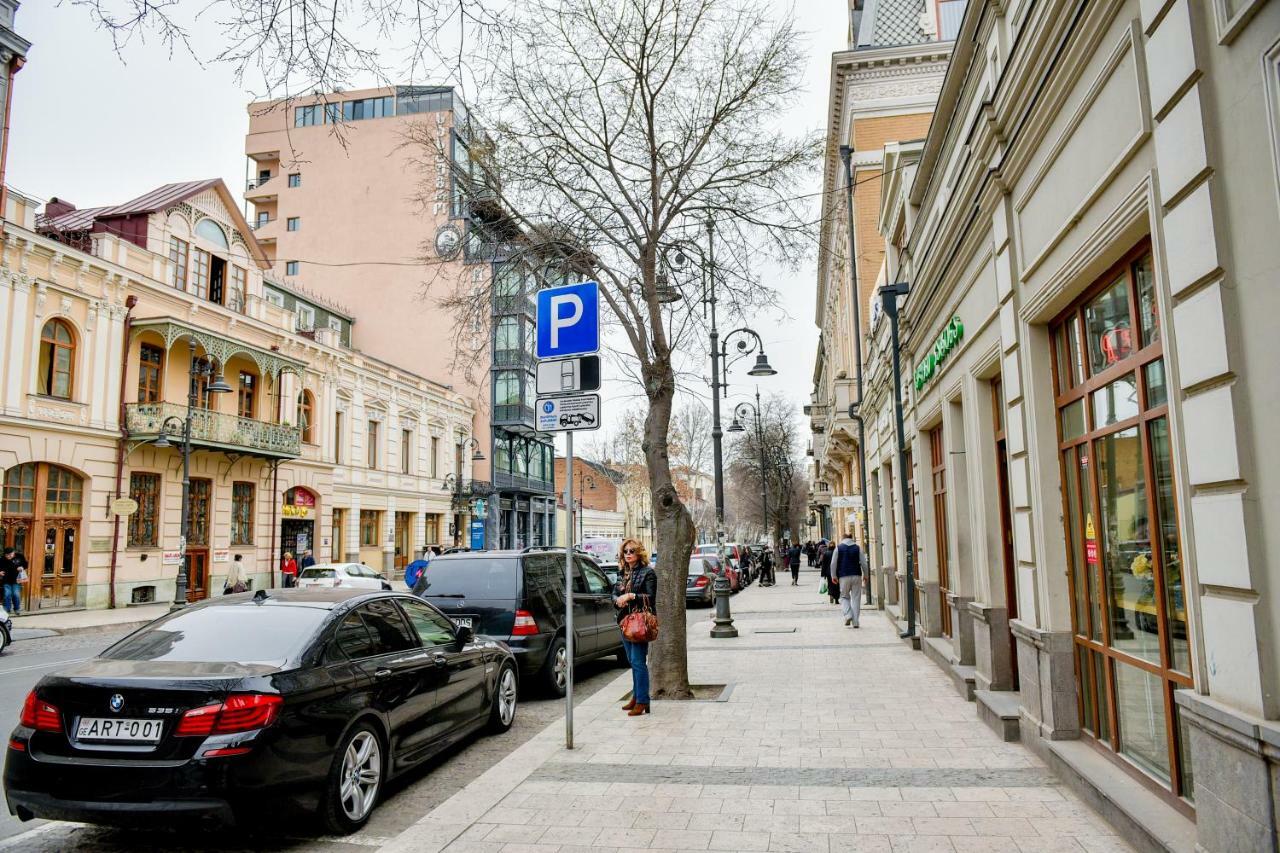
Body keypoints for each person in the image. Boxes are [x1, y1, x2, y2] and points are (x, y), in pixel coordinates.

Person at [614, 538, 657, 717]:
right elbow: (614, 593)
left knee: (638, 662)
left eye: (632, 551)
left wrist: (631, 596)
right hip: (624, 621)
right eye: (626, 551)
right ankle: (636, 697)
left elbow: (650, 597)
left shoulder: (648, 572)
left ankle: (642, 701)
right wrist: (617, 600)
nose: (629, 554)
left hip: (639, 623)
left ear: (639, 552)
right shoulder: (623, 573)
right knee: (633, 662)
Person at [834, 529, 863, 628]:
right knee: (856, 599)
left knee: (844, 597)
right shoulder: (857, 548)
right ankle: (855, 622)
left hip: (843, 576)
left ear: (843, 538)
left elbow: (833, 563)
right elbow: (864, 563)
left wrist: (834, 576)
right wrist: (866, 575)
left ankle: (848, 615)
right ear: (851, 538)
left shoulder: (838, 548)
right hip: (856, 575)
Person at [1, 547, 27, 615]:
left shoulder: (19, 556)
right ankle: (7, 609)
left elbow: (26, 564)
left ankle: (17, 609)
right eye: (7, 555)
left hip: (17, 580)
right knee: (7, 594)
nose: (8, 556)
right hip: (6, 580)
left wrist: (22, 567)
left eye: (10, 555)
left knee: (16, 594)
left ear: (14, 553)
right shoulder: (2, 559)